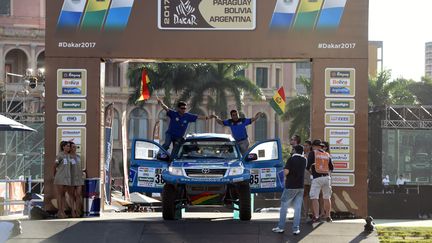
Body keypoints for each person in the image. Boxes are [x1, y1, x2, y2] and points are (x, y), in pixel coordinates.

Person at [272, 145, 306, 235]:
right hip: (300, 186)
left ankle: (281, 227)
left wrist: (283, 174)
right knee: (297, 208)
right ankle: (296, 229)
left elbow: (286, 171)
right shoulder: (304, 160)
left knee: (284, 207)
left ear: (294, 150)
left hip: (291, 186)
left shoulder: (291, 159)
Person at [307, 139, 334, 223]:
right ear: (321, 146)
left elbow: (307, 166)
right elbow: (332, 168)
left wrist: (311, 172)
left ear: (314, 146)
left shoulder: (313, 153)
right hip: (326, 177)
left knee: (314, 197)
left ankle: (316, 216)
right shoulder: (327, 154)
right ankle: (328, 216)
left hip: (317, 178)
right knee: (327, 197)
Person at [53, 141, 71, 218]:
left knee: (64, 195)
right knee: (60, 195)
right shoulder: (60, 155)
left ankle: (62, 211)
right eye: (67, 146)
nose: (68, 147)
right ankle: (60, 212)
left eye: (69, 146)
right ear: (63, 147)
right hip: (60, 177)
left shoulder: (69, 156)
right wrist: (54, 175)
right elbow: (54, 165)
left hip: (67, 178)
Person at [68, 142, 85, 217]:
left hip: (79, 178)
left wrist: (83, 173)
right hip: (71, 178)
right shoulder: (67, 157)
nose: (75, 149)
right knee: (71, 195)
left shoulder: (78, 157)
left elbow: (81, 167)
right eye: (73, 147)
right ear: (70, 148)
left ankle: (78, 211)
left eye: (76, 147)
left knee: (78, 195)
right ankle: (72, 211)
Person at [302, 140, 312, 219]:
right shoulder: (302, 155)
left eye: (306, 145)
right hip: (304, 178)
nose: (305, 147)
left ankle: (313, 213)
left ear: (310, 146)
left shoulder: (313, 155)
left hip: (312, 178)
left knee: (313, 196)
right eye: (304, 145)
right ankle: (306, 213)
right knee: (305, 195)